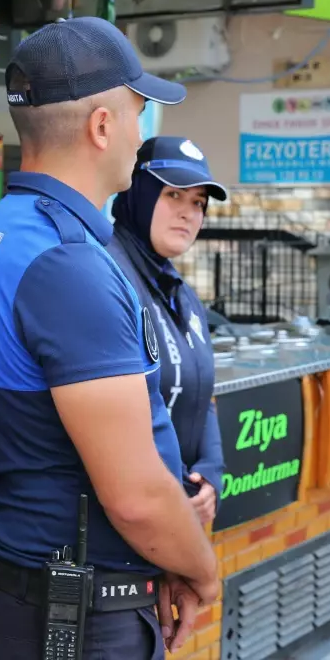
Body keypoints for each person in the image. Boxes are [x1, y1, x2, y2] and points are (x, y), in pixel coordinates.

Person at [0, 17, 219, 659]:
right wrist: (204, 570)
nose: (140, 133)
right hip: (70, 617)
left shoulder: (2, 229)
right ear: (102, 126)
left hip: (18, 586)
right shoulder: (67, 264)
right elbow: (135, 495)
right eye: (138, 112)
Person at [106, 136, 228, 527]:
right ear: (138, 191)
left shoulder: (181, 293)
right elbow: (114, 425)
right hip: (128, 522)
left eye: (198, 203)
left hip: (175, 515)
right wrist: (171, 492)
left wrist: (210, 472)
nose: (188, 213)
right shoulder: (107, 276)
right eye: (173, 194)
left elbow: (201, 395)